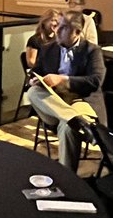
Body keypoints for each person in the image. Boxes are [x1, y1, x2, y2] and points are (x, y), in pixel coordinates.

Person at [28, 11, 106, 176]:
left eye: (63, 28)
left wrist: (62, 80)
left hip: (80, 101)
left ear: (76, 32)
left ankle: (67, 177)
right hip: (53, 104)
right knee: (33, 92)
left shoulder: (92, 51)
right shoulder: (48, 48)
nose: (56, 31)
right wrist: (35, 79)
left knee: (69, 128)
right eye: (57, 26)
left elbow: (95, 81)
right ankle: (76, 120)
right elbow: (36, 71)